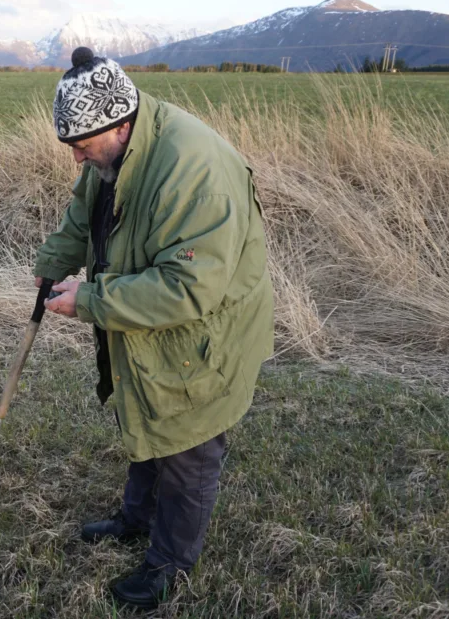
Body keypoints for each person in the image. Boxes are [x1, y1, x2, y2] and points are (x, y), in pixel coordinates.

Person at [35, 47, 274, 610]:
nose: (76, 159)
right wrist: (54, 262)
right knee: (142, 406)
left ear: (119, 125)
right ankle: (136, 517)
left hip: (205, 329)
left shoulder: (194, 171)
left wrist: (92, 299)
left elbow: (190, 288)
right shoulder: (113, 156)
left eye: (83, 147)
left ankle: (170, 565)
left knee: (189, 441)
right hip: (151, 320)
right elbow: (83, 215)